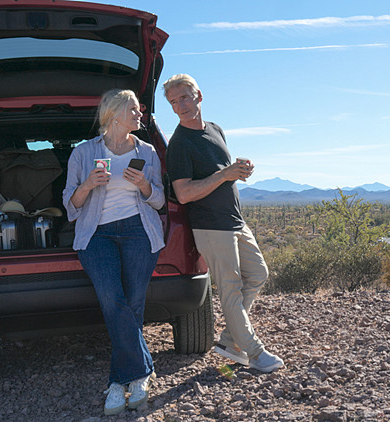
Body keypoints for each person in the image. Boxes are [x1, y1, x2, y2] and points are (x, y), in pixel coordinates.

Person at [162, 74, 284, 373]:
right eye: (174, 102)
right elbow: (184, 192)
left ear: (198, 96)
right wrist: (225, 175)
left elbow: (224, 172)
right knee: (229, 289)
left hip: (234, 220)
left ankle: (230, 340)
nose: (180, 106)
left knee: (257, 274)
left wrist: (241, 169)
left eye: (184, 98)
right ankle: (254, 353)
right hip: (209, 225)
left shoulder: (215, 129)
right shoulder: (179, 144)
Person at [63, 89, 165, 415]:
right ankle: (140, 370)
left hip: (139, 231)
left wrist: (145, 186)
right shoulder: (83, 153)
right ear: (115, 114)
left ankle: (122, 384)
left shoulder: (147, 152)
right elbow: (71, 207)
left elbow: (160, 201)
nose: (141, 114)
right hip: (98, 235)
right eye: (135, 110)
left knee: (134, 305)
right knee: (113, 300)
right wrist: (87, 185)